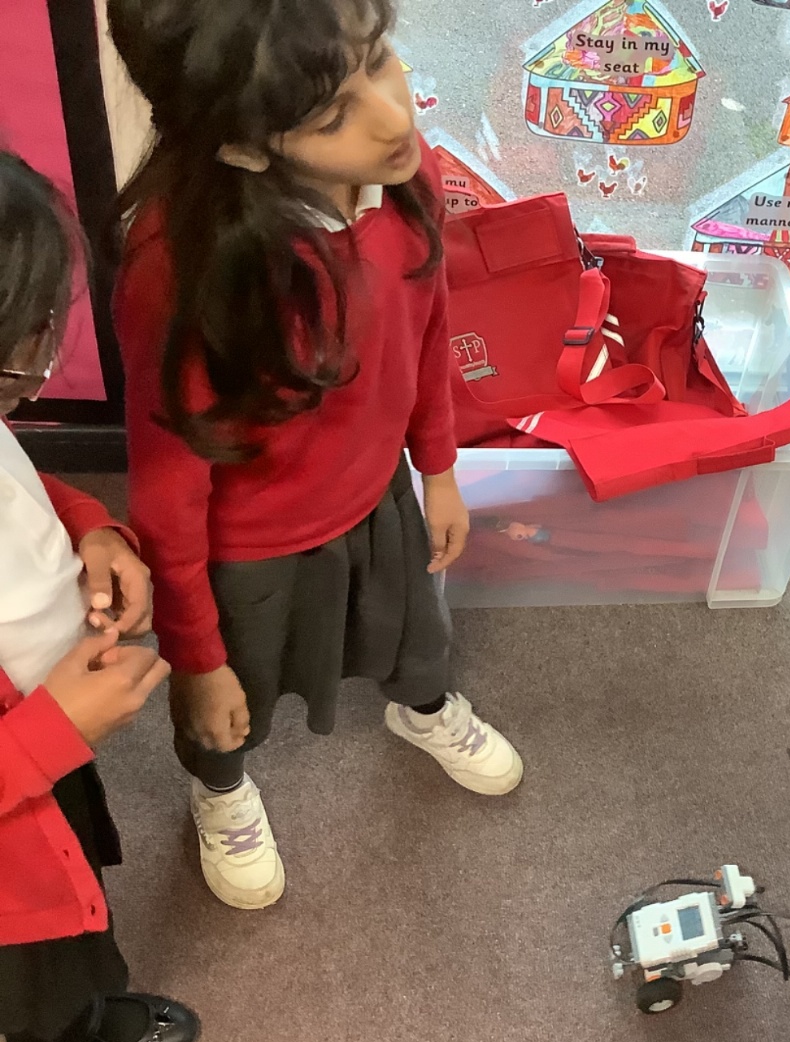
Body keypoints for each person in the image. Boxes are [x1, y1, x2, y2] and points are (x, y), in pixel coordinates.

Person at [107, 0, 524, 910]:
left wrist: (439, 468)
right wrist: (196, 656)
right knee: (232, 702)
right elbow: (167, 489)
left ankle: (425, 712)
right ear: (245, 145)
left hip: (380, 496)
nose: (393, 115)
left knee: (416, 636)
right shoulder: (179, 270)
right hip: (250, 547)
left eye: (380, 59)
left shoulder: (404, 173)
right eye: (334, 114)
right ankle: (221, 791)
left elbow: (428, 327)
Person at [1, 151, 219, 1042]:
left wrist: (92, 528)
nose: (37, 358)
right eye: (22, 342)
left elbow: (23, 490)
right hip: (13, 811)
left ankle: (90, 1004)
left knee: (78, 900)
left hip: (46, 755)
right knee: (33, 977)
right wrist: (54, 732)